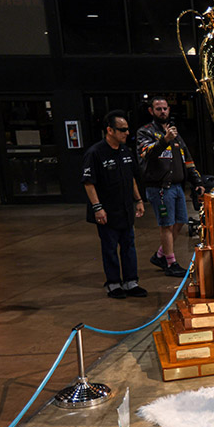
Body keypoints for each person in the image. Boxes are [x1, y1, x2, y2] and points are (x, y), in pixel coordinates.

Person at [136, 97, 205, 277]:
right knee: (166, 225)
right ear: (151, 111)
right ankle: (171, 263)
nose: (163, 112)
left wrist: (197, 182)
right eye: (158, 109)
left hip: (177, 186)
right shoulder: (145, 132)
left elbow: (188, 160)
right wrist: (164, 140)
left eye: (165, 108)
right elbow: (146, 154)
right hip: (160, 187)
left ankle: (160, 255)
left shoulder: (175, 134)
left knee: (181, 221)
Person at [83, 110, 148, 299]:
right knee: (110, 248)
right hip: (107, 211)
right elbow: (89, 182)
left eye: (128, 130)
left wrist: (138, 200)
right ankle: (113, 284)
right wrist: (97, 207)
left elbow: (131, 178)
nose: (127, 133)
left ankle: (131, 282)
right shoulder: (95, 153)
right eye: (122, 130)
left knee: (129, 246)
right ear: (110, 130)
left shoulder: (125, 151)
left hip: (125, 209)